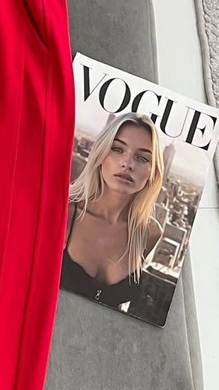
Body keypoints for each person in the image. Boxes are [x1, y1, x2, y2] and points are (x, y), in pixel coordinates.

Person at [61, 112, 164, 309]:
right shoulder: (64, 212)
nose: (128, 164)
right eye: (117, 149)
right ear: (100, 155)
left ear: (153, 172)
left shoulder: (149, 233)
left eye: (142, 158)